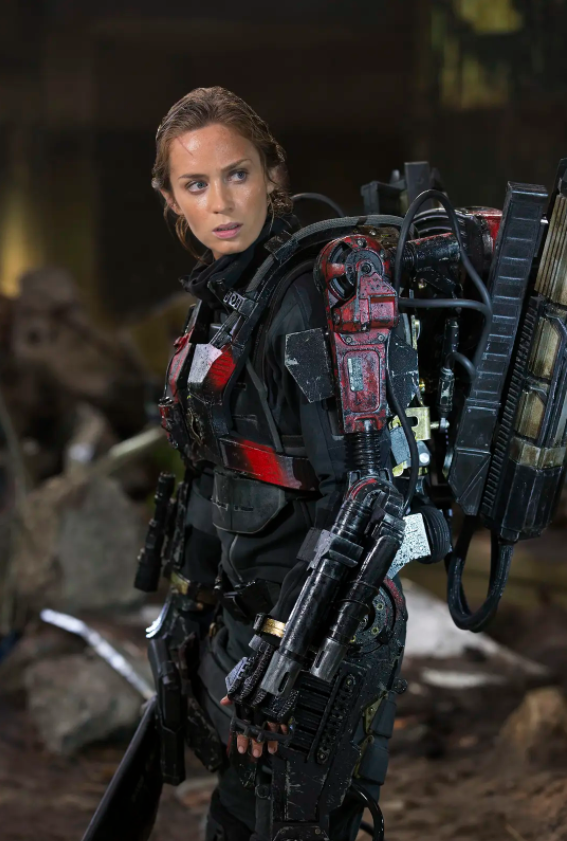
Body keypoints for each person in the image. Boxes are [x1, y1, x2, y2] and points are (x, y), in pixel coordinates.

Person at [151, 86, 406, 841]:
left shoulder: (304, 301)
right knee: (237, 818)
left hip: (317, 633)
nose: (222, 202)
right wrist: (191, 600)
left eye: (238, 174)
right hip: (251, 619)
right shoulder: (225, 300)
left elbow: (358, 496)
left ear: (272, 174)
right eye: (196, 184)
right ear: (171, 198)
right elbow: (215, 469)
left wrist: (283, 654)